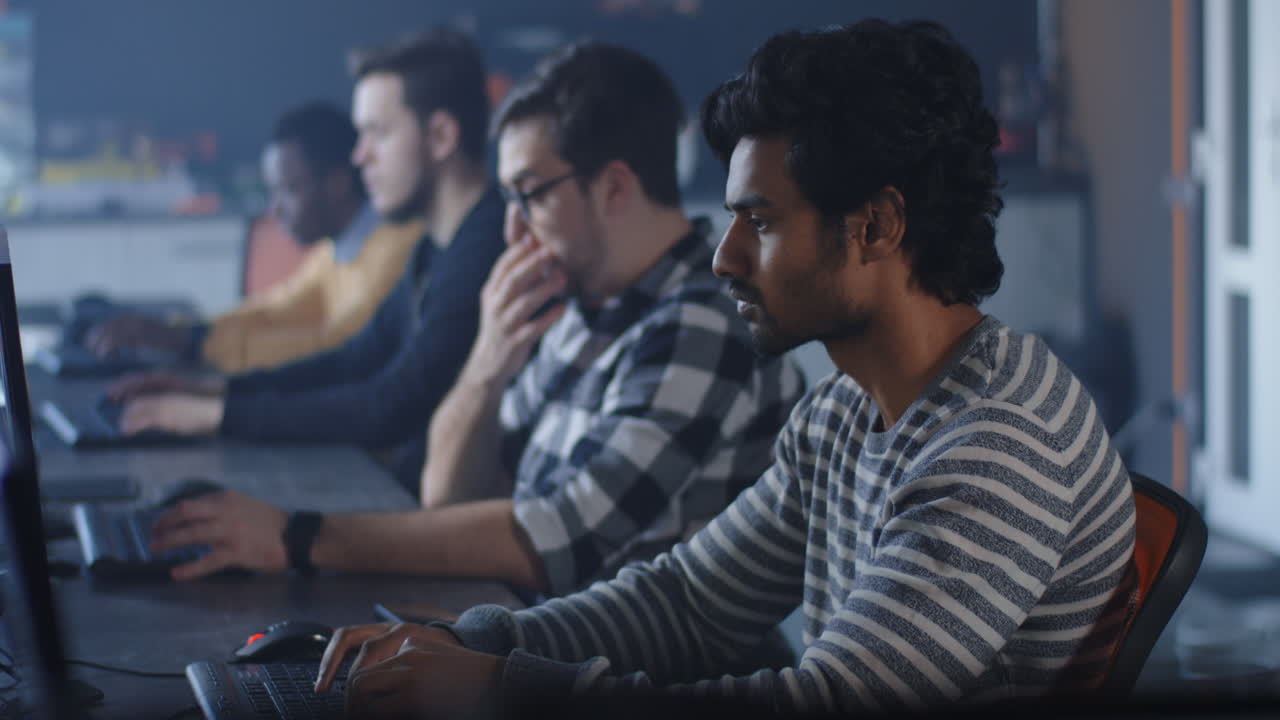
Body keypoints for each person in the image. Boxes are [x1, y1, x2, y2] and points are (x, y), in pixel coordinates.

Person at [311, 20, 1139, 719]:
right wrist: (472, 641)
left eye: (761, 222)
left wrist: (498, 687)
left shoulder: (995, 442)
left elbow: (827, 704)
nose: (724, 256)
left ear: (878, 225)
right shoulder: (844, 415)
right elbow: (689, 602)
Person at [142, 41, 803, 612]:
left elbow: (552, 543)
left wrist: (297, 536)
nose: (512, 230)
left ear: (615, 187)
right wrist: (488, 364)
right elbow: (448, 495)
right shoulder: (579, 309)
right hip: (530, 642)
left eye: (531, 195)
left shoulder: (705, 323)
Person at [109, 28, 505, 481]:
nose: (359, 157)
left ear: (440, 136)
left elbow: (388, 407)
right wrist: (212, 391)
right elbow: (353, 361)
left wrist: (214, 414)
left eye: (377, 133)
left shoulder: (485, 249)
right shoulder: (436, 247)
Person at [88, 101, 424, 375]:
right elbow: (277, 311)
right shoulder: (336, 248)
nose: (274, 209)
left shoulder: (398, 249)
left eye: (288, 189)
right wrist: (183, 330)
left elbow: (340, 345)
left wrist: (193, 344)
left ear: (337, 184)